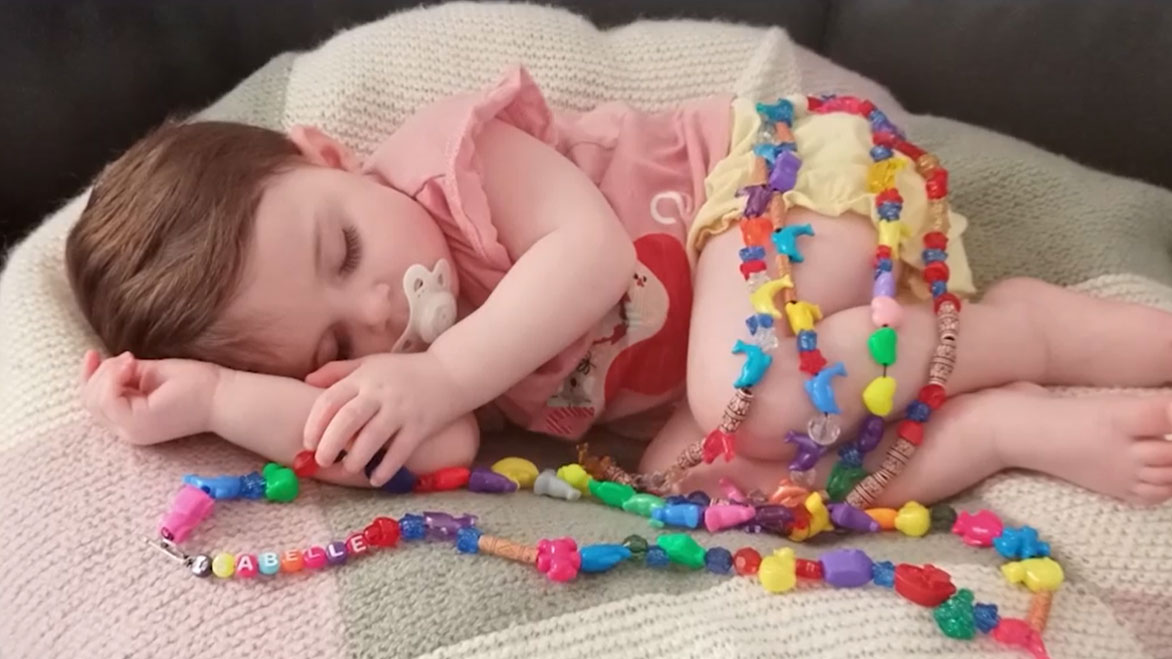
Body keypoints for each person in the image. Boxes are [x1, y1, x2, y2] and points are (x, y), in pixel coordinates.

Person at [67, 67, 1172, 506]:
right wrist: (213, 403)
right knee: (699, 477)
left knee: (746, 389)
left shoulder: (449, 164)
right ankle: (989, 432)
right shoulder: (407, 371)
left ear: (326, 155)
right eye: (324, 346)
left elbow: (588, 256)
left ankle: (1020, 330)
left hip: (778, 195)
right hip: (774, 345)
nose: (378, 315)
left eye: (344, 252)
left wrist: (443, 365)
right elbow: (431, 448)